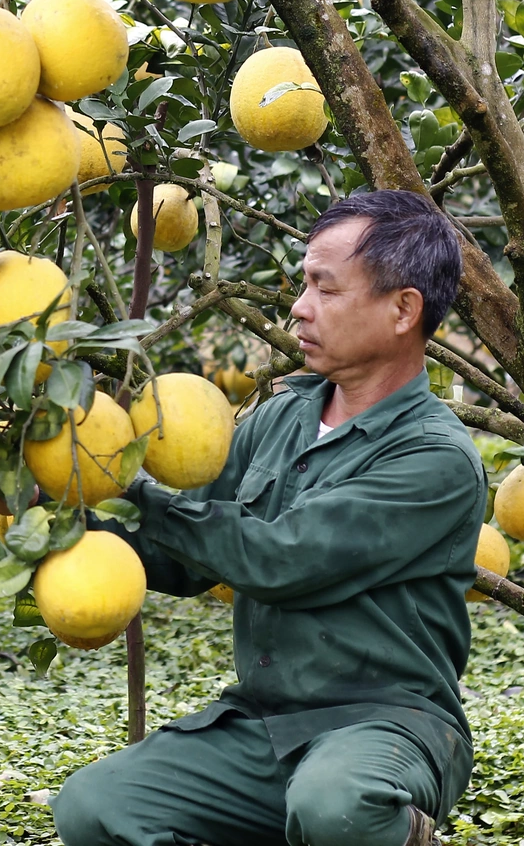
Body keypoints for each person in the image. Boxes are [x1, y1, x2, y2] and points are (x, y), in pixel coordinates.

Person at [50, 189, 487, 846]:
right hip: (266, 724)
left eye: (325, 289)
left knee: (336, 806)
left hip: (391, 725)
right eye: (303, 285)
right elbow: (186, 553)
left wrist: (132, 487)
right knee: (95, 807)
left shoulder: (436, 458)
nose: (299, 308)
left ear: (403, 309)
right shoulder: (281, 417)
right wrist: (54, 499)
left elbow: (282, 558)